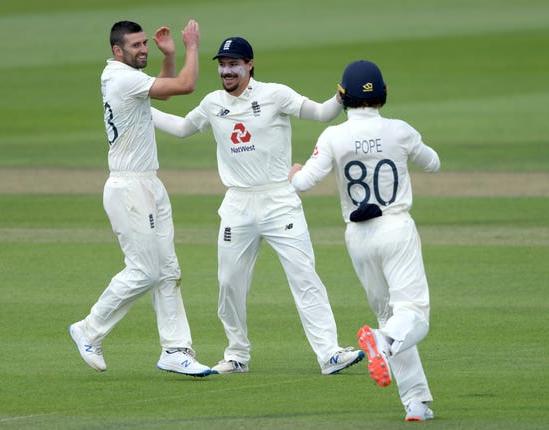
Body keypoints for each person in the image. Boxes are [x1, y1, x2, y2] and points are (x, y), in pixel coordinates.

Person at [150, 36, 364, 375]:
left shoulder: (275, 94)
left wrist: (341, 96)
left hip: (280, 200)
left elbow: (321, 114)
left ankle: (330, 354)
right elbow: (180, 128)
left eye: (234, 63)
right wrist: (142, 109)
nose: (227, 70)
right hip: (237, 202)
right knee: (230, 284)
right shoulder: (212, 103)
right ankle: (237, 356)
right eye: (222, 64)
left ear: (249, 64)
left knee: (305, 277)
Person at [288, 60, 440, 420]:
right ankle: (382, 341)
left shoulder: (333, 136)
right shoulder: (400, 130)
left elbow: (302, 183)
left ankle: (415, 402)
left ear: (343, 97)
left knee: (392, 314)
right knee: (413, 315)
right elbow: (433, 163)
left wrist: (294, 171)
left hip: (358, 236)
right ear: (382, 95)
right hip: (396, 227)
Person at [68, 19, 211, 377]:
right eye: (136, 46)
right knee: (145, 270)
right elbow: (185, 85)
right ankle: (89, 328)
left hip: (149, 183)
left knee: (167, 270)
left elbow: (161, 91)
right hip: (129, 188)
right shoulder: (120, 77)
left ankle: (175, 350)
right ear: (117, 51)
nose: (143, 49)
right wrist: (192, 46)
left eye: (144, 43)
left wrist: (169, 55)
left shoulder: (126, 79)